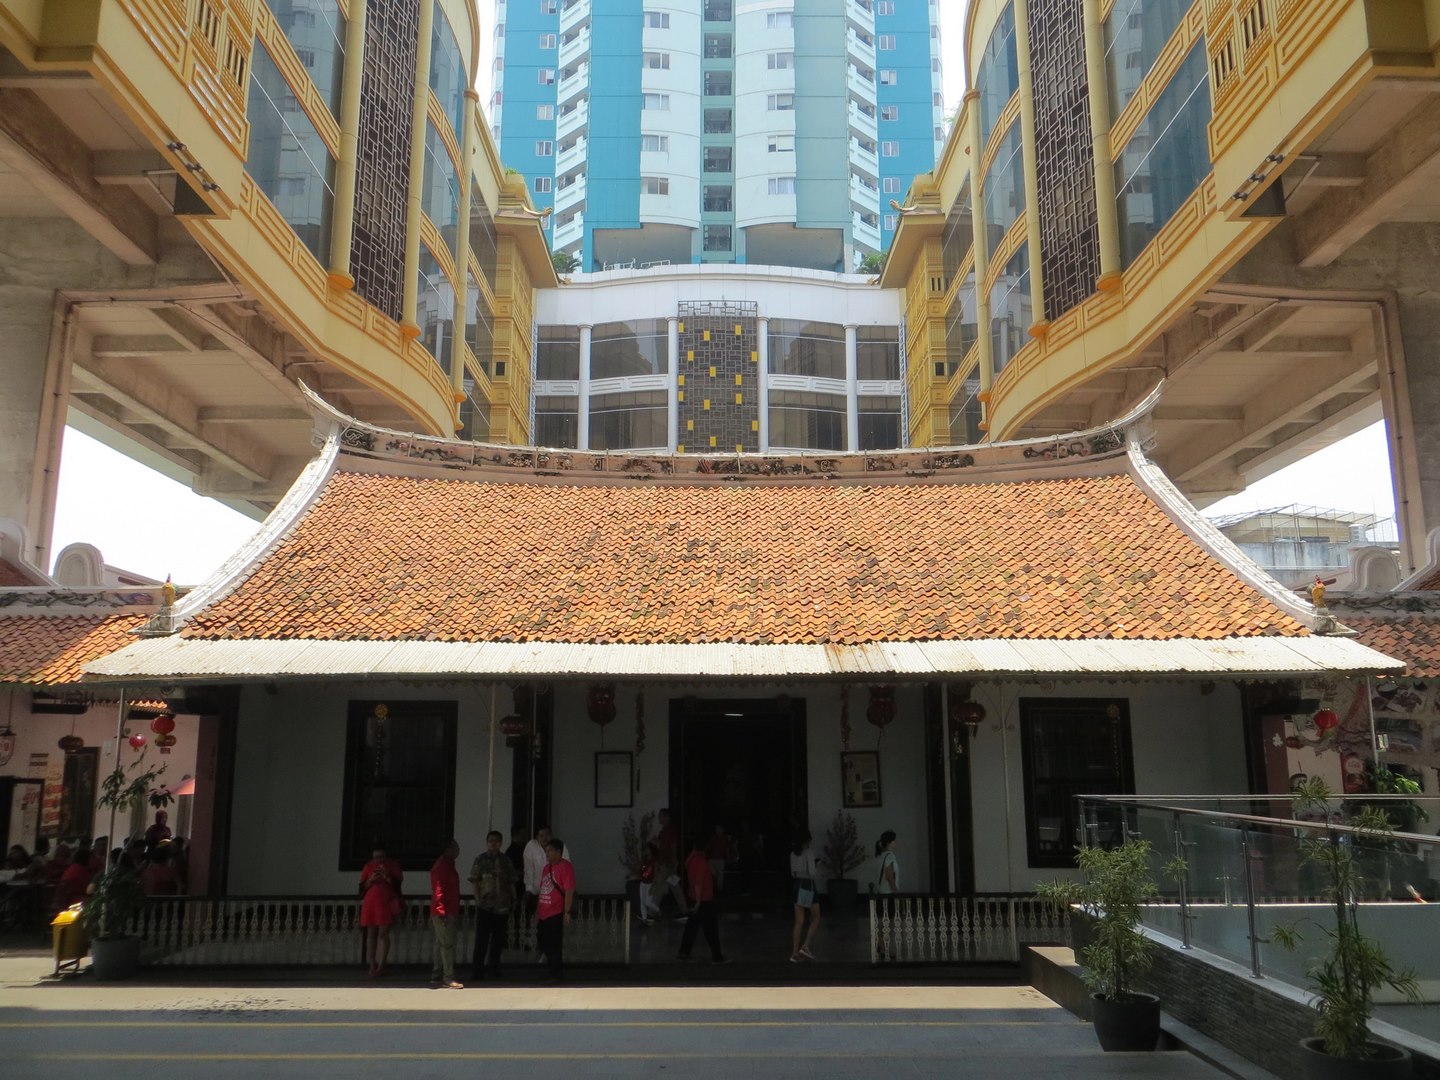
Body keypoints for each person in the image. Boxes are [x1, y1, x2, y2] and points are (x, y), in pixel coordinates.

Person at [469, 829, 517, 979]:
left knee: (497, 940)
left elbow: (511, 881)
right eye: (491, 841)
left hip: (501, 905)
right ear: (487, 843)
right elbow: (475, 881)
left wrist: (514, 899)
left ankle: (494, 969)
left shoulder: (505, 860)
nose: (493, 844)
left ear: (501, 843)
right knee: (481, 940)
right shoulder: (480, 859)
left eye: (496, 841)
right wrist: (477, 899)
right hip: (485, 904)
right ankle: (477, 971)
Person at [678, 834, 727, 964]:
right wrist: (699, 902)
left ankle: (684, 951)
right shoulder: (700, 861)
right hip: (703, 900)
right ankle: (717, 956)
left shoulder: (691, 858)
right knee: (710, 928)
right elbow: (698, 882)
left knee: (692, 927)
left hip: (694, 897)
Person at [358, 844, 403, 978]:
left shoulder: (392, 865)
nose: (378, 860)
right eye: (376, 858)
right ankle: (372, 965)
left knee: (383, 934)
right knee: (371, 934)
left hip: (385, 902)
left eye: (381, 857)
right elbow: (361, 887)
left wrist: (387, 876)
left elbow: (398, 884)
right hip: (370, 903)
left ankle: (381, 965)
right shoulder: (368, 867)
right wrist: (371, 880)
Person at [535, 837, 575, 981]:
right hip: (544, 912)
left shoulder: (566, 867)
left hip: (555, 911)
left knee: (554, 945)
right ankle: (550, 970)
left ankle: (556, 973)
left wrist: (567, 911)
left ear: (558, 852)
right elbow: (542, 890)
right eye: (546, 851)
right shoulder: (547, 868)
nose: (547, 854)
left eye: (550, 851)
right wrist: (537, 911)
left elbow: (569, 890)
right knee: (543, 941)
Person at [428, 839, 464, 989]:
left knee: (440, 943)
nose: (458, 850)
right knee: (447, 943)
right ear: (448, 849)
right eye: (456, 848)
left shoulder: (447, 865)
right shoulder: (442, 866)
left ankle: (437, 973)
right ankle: (448, 976)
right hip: (444, 911)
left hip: (447, 909)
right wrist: (441, 910)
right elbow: (438, 889)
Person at [789, 831, 820, 962]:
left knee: (798, 921)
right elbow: (812, 872)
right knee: (816, 918)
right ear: (806, 841)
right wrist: (816, 864)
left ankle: (794, 952)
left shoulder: (792, 854)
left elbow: (793, 873)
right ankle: (806, 945)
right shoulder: (808, 853)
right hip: (808, 885)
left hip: (797, 885)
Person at [654, 808, 689, 918]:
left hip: (668, 864)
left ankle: (651, 912)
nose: (659, 818)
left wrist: (673, 861)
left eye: (661, 816)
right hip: (667, 863)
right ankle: (684, 911)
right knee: (675, 887)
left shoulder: (670, 830)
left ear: (667, 817)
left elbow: (673, 846)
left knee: (659, 886)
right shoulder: (664, 831)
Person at [54, 847, 92, 911]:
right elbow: (88, 890)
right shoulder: (81, 870)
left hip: (67, 901)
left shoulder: (73, 867)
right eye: (91, 858)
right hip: (74, 902)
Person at [705, 825, 736, 894]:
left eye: (719, 828)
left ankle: (719, 890)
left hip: (720, 860)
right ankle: (713, 889)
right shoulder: (713, 837)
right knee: (713, 875)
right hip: (712, 859)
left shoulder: (725, 838)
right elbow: (707, 847)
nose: (717, 830)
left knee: (720, 876)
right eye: (716, 828)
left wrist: (728, 859)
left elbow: (727, 849)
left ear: (722, 830)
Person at [637, 842, 662, 924]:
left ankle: (658, 910)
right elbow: (641, 870)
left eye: (647, 849)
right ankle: (644, 919)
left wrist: (654, 884)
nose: (646, 851)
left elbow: (655, 874)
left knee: (648, 902)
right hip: (643, 883)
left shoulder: (654, 861)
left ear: (651, 850)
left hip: (650, 884)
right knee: (642, 902)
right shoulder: (644, 859)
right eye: (645, 849)